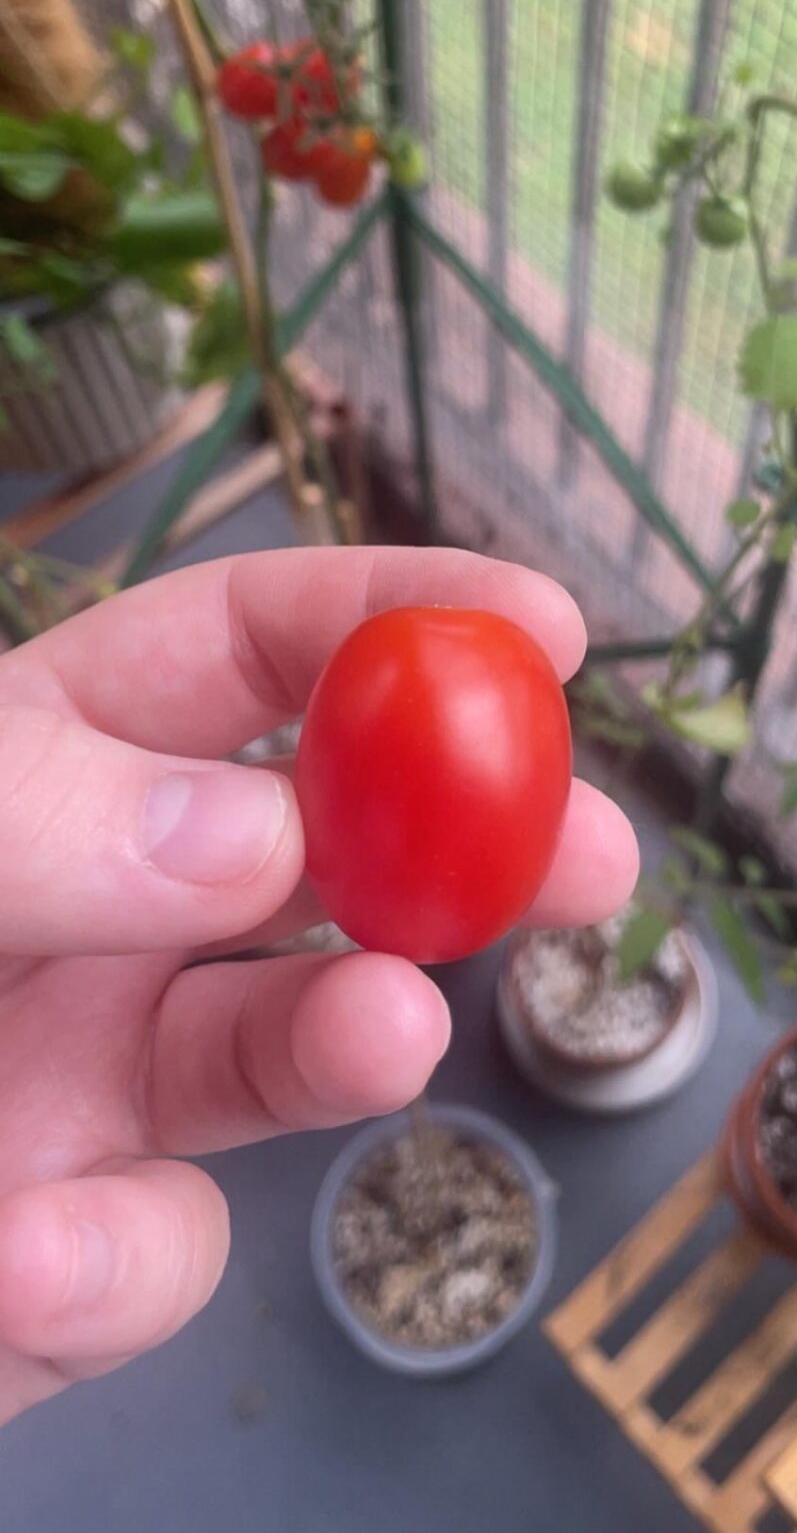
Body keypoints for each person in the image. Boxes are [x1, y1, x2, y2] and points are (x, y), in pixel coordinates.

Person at [0, 547, 638, 1425]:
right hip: (391, 914)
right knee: (379, 1032)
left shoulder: (378, 676)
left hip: (382, 909)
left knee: (381, 1031)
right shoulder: (434, 676)